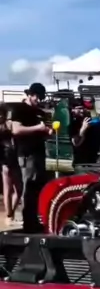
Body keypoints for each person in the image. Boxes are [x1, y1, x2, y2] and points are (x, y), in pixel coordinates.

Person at [10, 82, 52, 232]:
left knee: (37, 188)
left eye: (40, 97)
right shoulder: (19, 109)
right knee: (28, 188)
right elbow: (16, 130)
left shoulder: (39, 112)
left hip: (39, 153)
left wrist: (47, 132)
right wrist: (38, 128)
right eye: (36, 96)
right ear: (29, 95)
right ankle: (28, 223)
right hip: (27, 154)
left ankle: (34, 220)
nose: (38, 100)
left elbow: (43, 132)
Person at [0, 105, 22, 228]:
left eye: (2, 114)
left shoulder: (9, 124)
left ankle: (11, 214)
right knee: (8, 188)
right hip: (5, 160)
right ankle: (9, 216)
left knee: (19, 189)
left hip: (15, 157)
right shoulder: (2, 128)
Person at [70, 101, 100, 166]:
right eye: (79, 108)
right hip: (81, 161)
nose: (81, 111)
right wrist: (83, 129)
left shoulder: (92, 122)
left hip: (93, 159)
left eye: (82, 108)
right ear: (73, 110)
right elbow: (76, 143)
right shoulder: (73, 124)